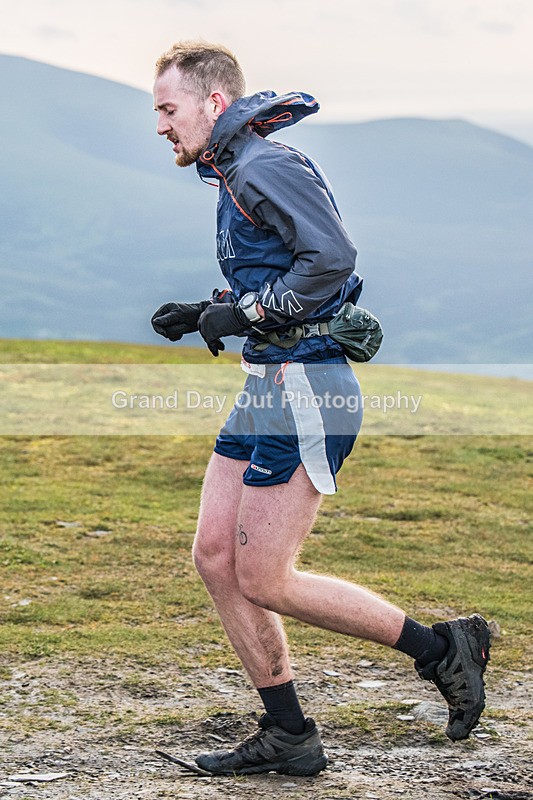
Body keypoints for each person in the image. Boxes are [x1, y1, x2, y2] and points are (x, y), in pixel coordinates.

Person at [151, 41, 490, 777]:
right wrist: (208, 309)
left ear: (213, 103)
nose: (160, 125)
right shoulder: (236, 171)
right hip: (266, 384)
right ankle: (288, 734)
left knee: (266, 576)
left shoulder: (267, 165)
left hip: (308, 387)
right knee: (215, 558)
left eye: (167, 108)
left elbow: (331, 260)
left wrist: (243, 313)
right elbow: (279, 271)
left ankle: (442, 649)